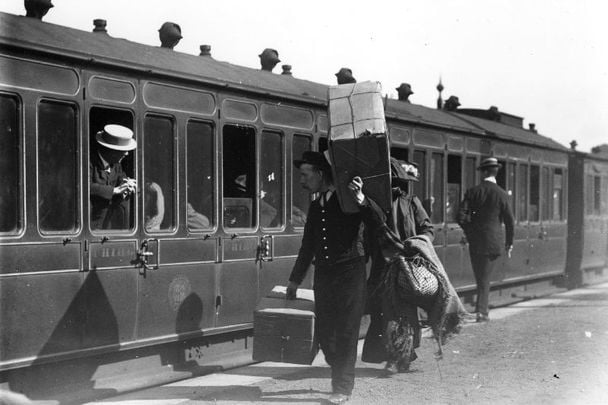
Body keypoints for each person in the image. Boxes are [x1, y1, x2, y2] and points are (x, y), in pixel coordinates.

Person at [286, 151, 366, 405]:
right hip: (325, 274)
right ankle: (339, 370)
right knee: (324, 332)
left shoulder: (348, 200)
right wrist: (294, 280)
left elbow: (374, 219)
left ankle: (342, 387)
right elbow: (308, 245)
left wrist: (362, 199)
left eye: (305, 175)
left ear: (320, 174)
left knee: (346, 332)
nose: (301, 181)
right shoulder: (315, 203)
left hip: (350, 273)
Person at [354, 158, 434, 371]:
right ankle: (399, 354)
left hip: (406, 266)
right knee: (383, 311)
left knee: (402, 312)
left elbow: (427, 229)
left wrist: (417, 244)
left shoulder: (411, 202)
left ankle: (401, 355)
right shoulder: (373, 204)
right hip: (382, 267)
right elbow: (365, 232)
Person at [458, 157, 514, 322]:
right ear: (496, 172)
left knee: (481, 277)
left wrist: (470, 232)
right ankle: (482, 312)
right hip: (494, 243)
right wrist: (509, 243)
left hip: (476, 242)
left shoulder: (473, 191)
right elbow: (510, 222)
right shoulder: (502, 194)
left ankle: (481, 310)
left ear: (483, 172)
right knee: (485, 278)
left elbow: (460, 216)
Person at [90, 124, 137, 230]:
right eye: (123, 150)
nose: (126, 153)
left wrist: (126, 185)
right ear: (110, 150)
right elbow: (85, 186)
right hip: (89, 226)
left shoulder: (116, 164)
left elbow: (121, 178)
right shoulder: (88, 162)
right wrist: (114, 190)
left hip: (107, 225)